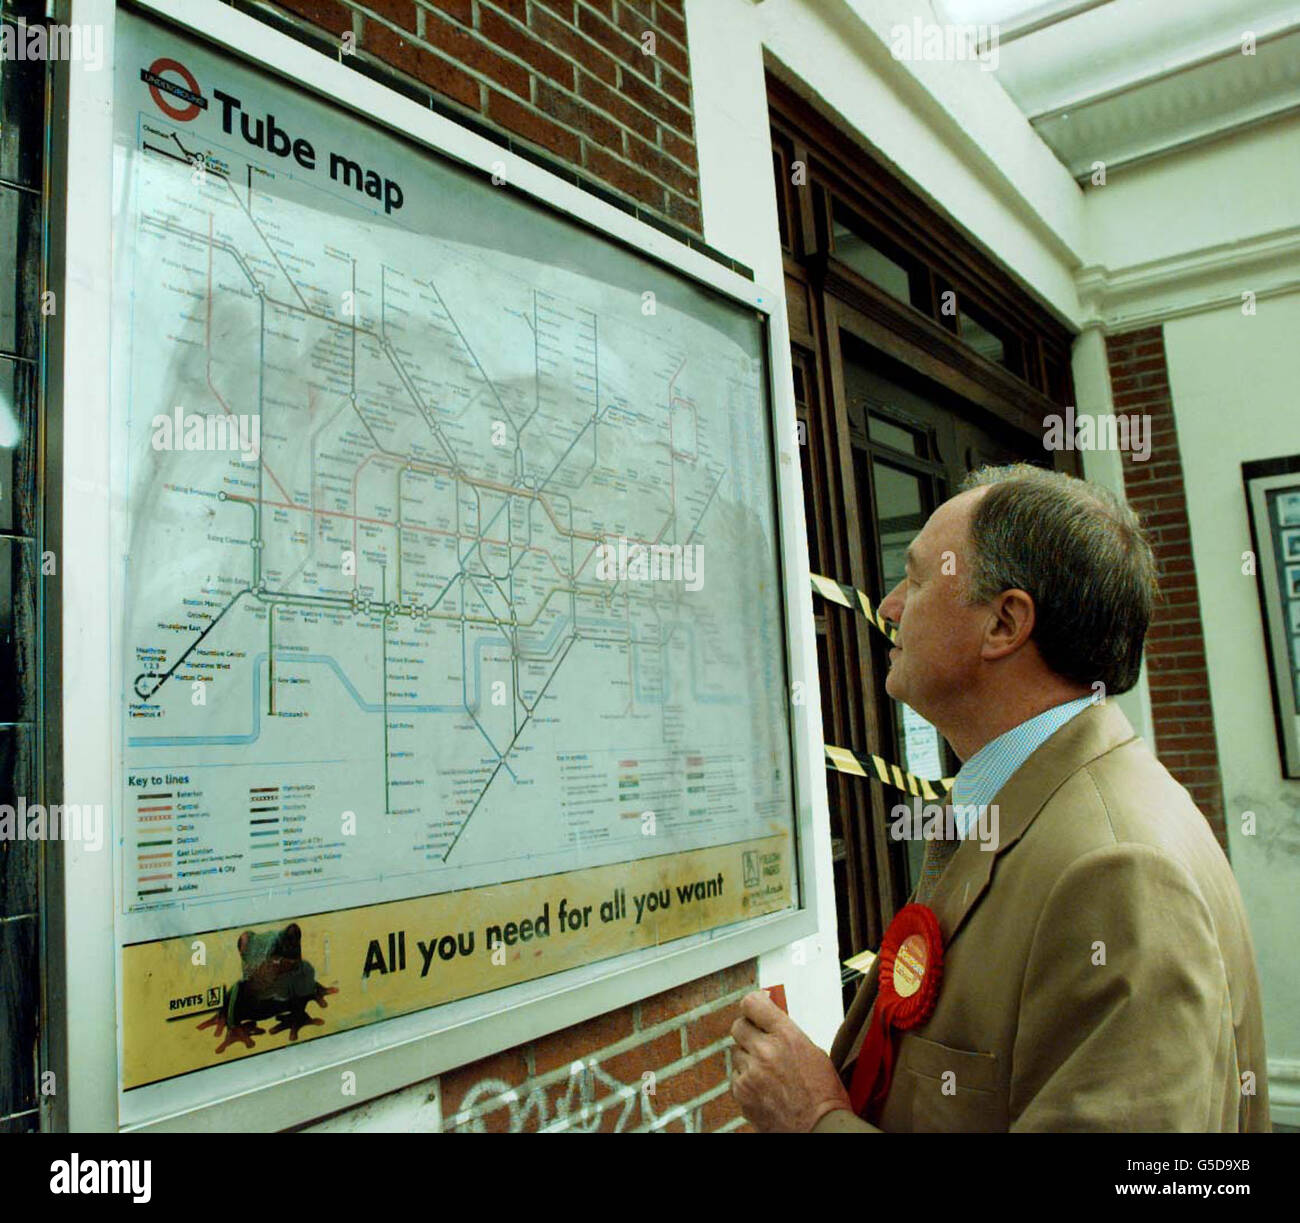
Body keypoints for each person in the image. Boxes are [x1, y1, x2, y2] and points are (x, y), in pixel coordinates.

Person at [729, 463, 1270, 1132]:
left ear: (1005, 623)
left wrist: (811, 1116)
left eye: (918, 578)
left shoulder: (1117, 869)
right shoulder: (1033, 808)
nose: (891, 605)